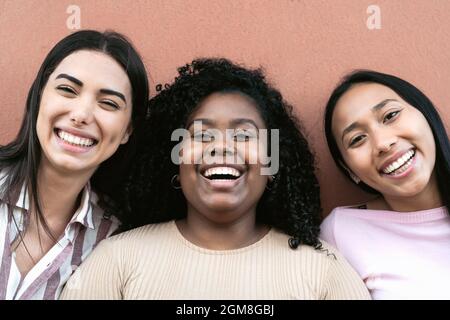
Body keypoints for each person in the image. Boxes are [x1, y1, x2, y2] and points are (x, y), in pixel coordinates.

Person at [61, 58, 370, 300]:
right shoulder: (117, 262)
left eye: (244, 135)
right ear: (175, 161)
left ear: (274, 161)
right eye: (202, 134)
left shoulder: (323, 272)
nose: (222, 147)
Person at [0, 30, 149, 299]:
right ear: (39, 98)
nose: (81, 115)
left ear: (128, 129)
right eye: (67, 90)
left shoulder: (115, 239)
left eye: (108, 103)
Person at [320, 70, 450, 299]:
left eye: (390, 116)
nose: (383, 143)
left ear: (425, 114)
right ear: (350, 170)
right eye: (357, 139)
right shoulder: (342, 232)